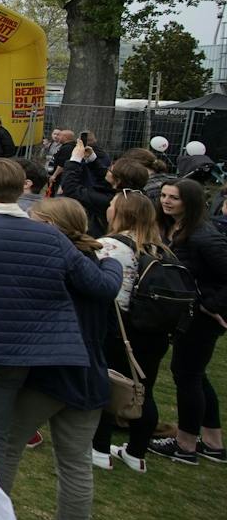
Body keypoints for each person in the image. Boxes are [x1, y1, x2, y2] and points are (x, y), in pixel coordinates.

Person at [0, 158, 121, 466]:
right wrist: (111, 262)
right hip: (18, 354)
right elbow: (98, 285)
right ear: (20, 189)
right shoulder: (52, 237)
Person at [0, 197, 111, 520]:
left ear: (53, 227)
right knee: (74, 459)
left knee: (8, 443)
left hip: (52, 372)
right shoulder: (97, 266)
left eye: (34, 220)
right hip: (90, 372)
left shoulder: (56, 267)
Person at [91, 190, 174, 470]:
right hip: (154, 330)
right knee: (143, 389)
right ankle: (137, 454)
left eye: (112, 205)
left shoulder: (109, 245)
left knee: (105, 383)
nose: (108, 208)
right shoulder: (162, 248)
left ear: (121, 213)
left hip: (118, 327)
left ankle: (99, 450)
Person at [149, 178, 227, 464]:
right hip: (189, 312)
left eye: (174, 198)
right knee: (194, 374)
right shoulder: (176, 229)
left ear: (190, 202)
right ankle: (212, 441)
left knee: (187, 374)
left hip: (201, 317)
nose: (167, 201)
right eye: (165, 196)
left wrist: (211, 305)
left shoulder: (203, 236)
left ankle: (185, 444)